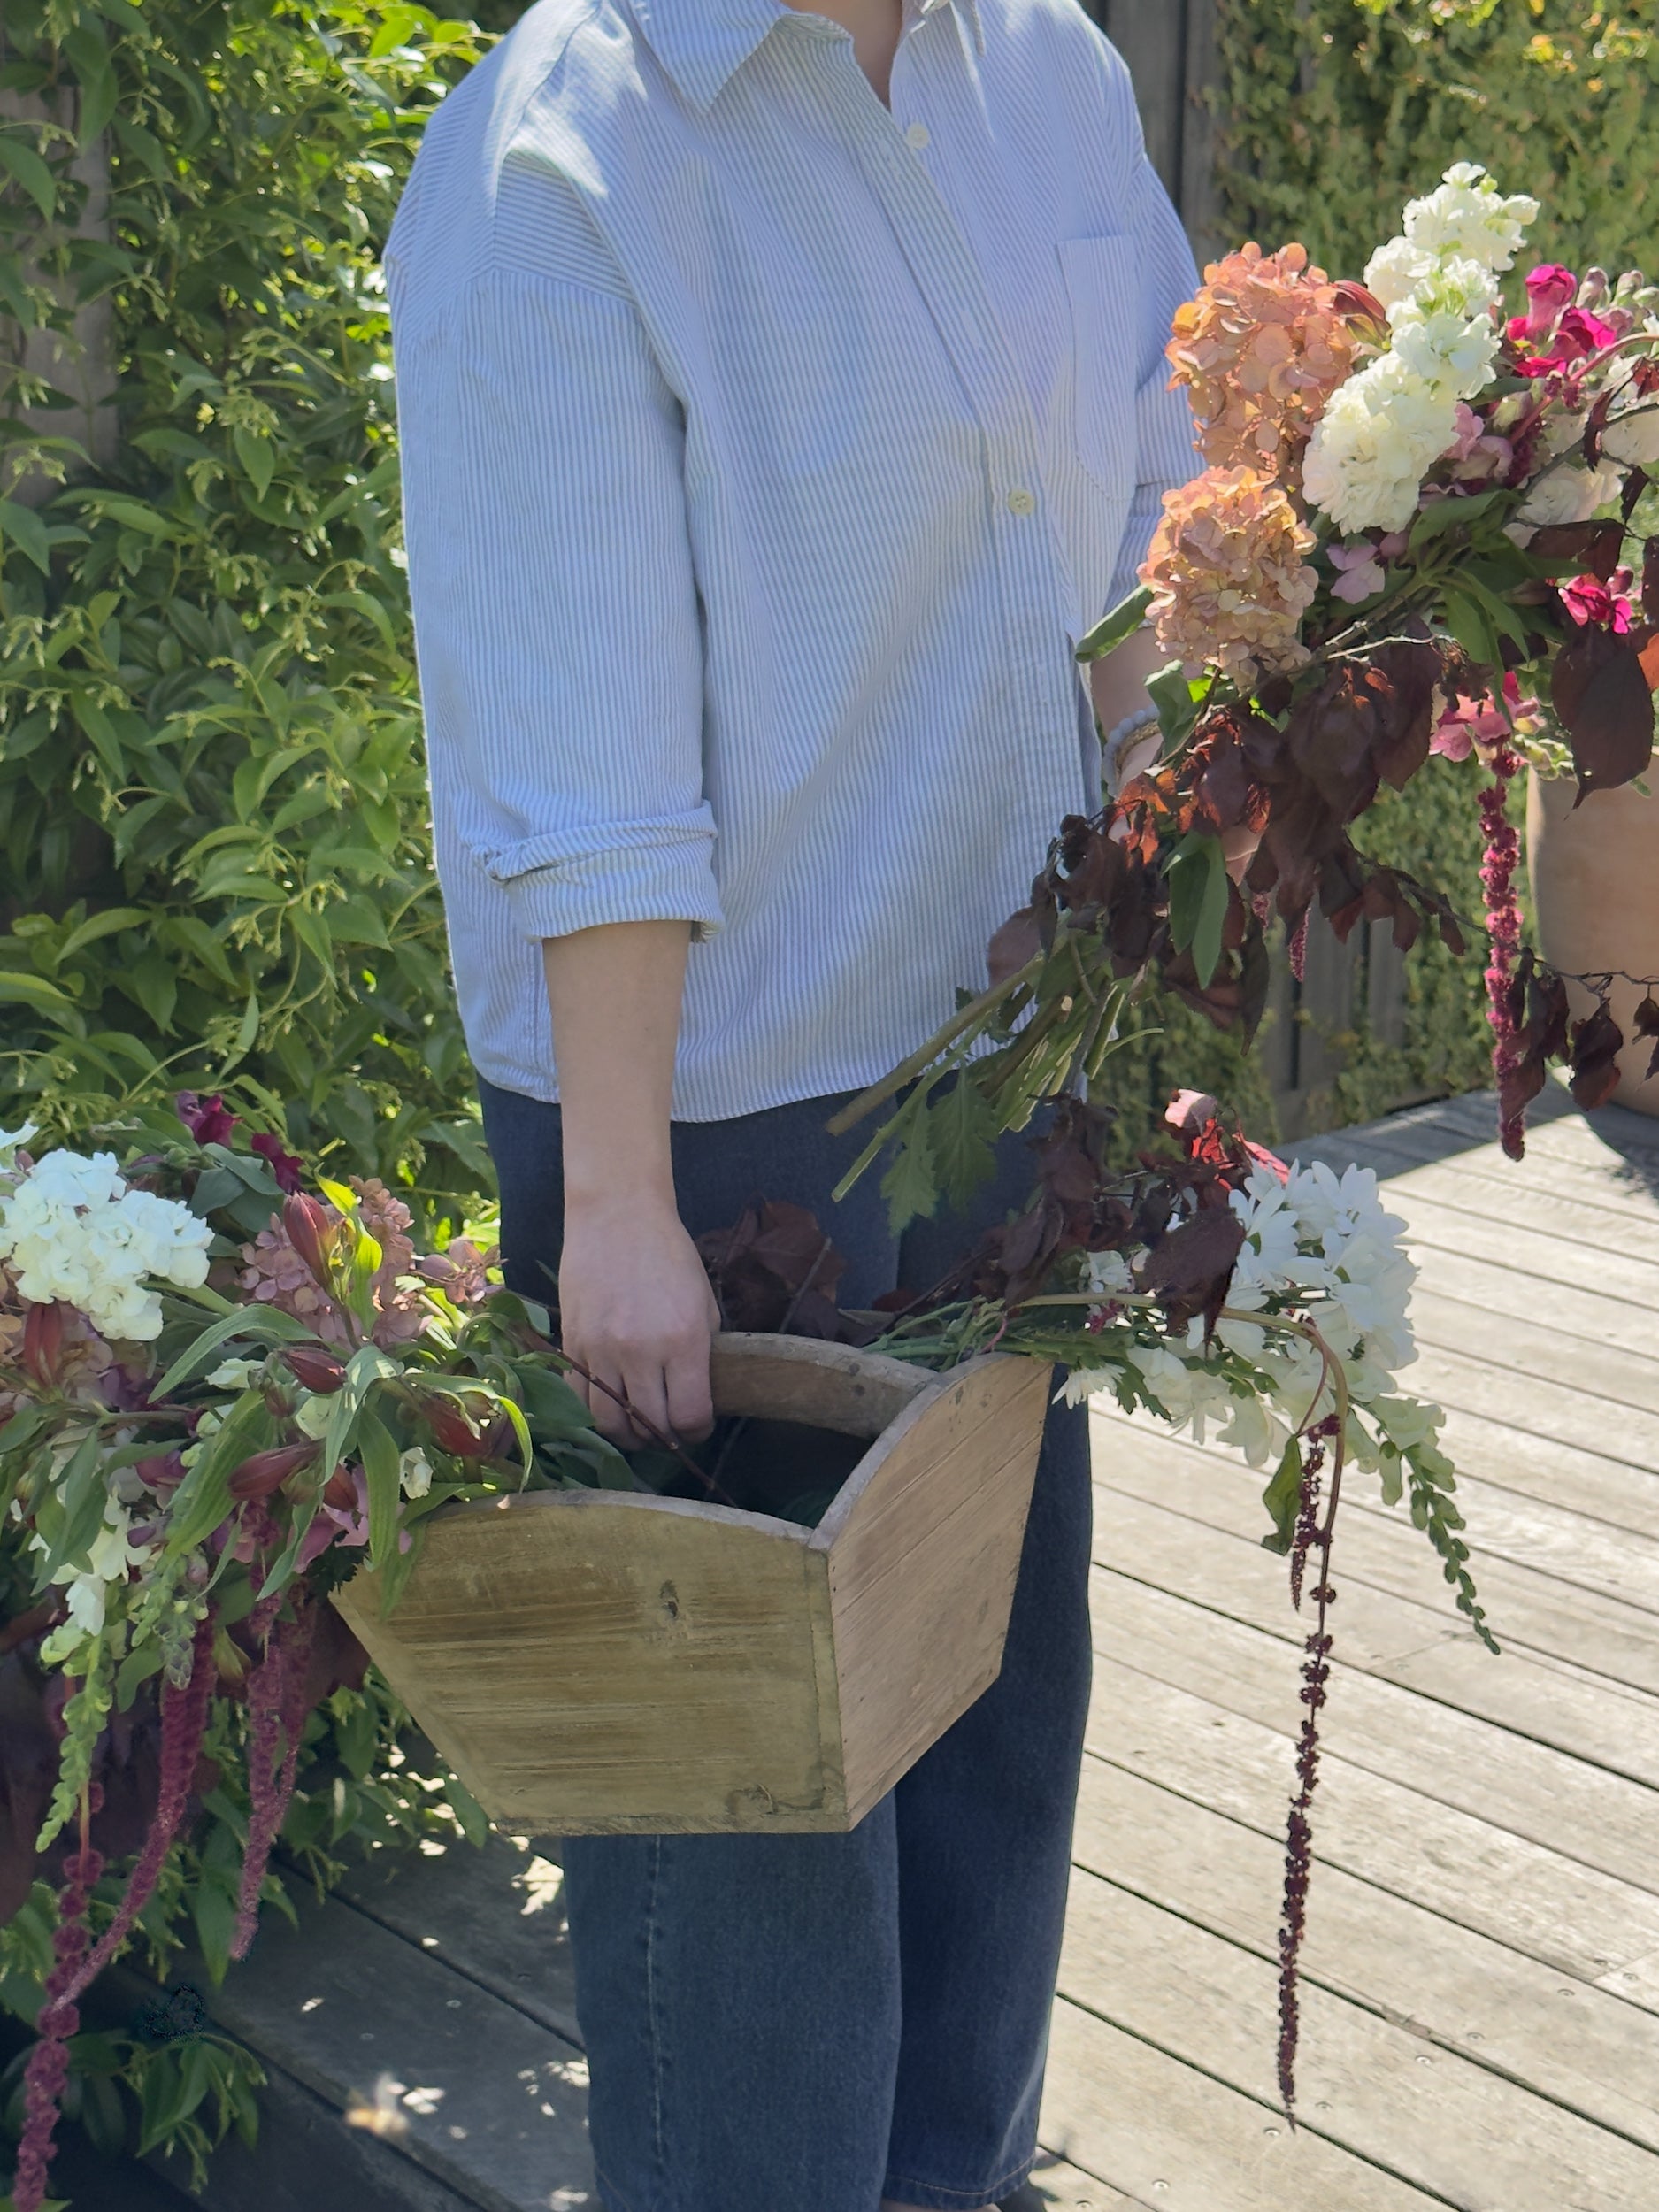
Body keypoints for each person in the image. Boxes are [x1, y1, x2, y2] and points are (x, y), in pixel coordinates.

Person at [388, 0, 1196, 2196]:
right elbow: (580, 744)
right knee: (753, 1867)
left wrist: (1129, 890)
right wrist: (618, 1200)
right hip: (712, 1137)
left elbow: (1137, 488)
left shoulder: (1040, 66)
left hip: (1002, 1068)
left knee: (989, 1739)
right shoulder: (560, 152)